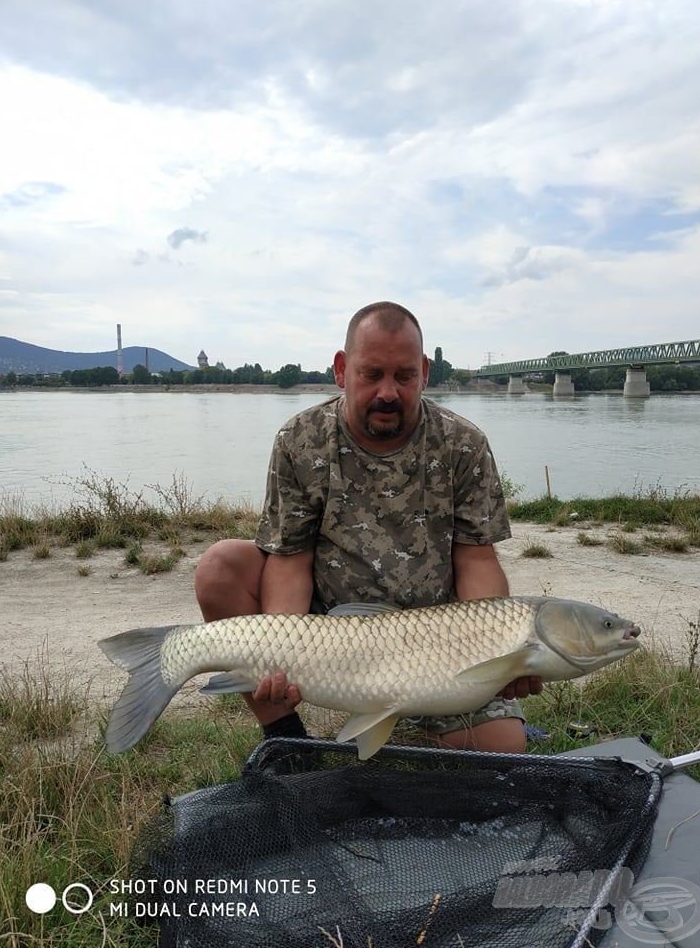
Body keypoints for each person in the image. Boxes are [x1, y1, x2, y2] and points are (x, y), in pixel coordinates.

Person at [195, 301, 542, 753]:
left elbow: (477, 559)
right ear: (342, 369)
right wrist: (282, 659)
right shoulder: (299, 439)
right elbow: (290, 560)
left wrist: (498, 652)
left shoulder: (464, 444)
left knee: (502, 752)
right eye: (371, 374)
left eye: (403, 376)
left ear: (424, 373)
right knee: (221, 566)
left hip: (439, 643)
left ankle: (421, 711)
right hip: (334, 639)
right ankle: (286, 740)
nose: (388, 392)